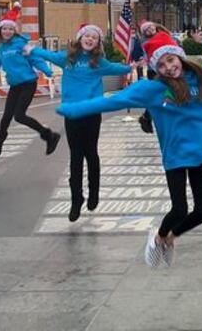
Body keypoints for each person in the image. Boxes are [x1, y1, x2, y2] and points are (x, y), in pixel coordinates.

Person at [57, 31, 202, 268]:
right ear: (156, 69)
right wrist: (74, 110)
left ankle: (168, 239)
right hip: (175, 157)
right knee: (179, 209)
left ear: (180, 57)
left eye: (171, 60)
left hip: (200, 155)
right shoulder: (153, 90)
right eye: (161, 64)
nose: (168, 67)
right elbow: (112, 101)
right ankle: (158, 238)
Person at [25, 24, 131, 222]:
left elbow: (118, 68)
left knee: (91, 153)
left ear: (98, 43)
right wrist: (32, 50)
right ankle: (76, 199)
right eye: (86, 36)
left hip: (91, 112)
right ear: (80, 38)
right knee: (75, 156)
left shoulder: (99, 62)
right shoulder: (68, 58)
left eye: (94, 37)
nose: (89, 39)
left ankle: (94, 193)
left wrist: (132, 66)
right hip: (72, 113)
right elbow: (48, 55)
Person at [0, 5, 60, 158]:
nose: (7, 31)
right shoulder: (1, 50)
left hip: (28, 83)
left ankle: (48, 135)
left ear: (14, 30)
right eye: (4, 29)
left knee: (19, 116)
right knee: (6, 117)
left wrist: (48, 72)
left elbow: (35, 59)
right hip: (15, 85)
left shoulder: (21, 45)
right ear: (0, 31)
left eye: (10, 28)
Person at [136, 21, 171, 133]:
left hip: (169, 68)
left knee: (167, 94)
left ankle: (148, 117)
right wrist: (143, 61)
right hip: (155, 71)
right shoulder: (146, 42)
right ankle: (147, 117)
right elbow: (147, 55)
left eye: (150, 27)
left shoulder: (164, 35)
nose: (150, 30)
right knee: (159, 96)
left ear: (155, 27)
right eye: (146, 30)